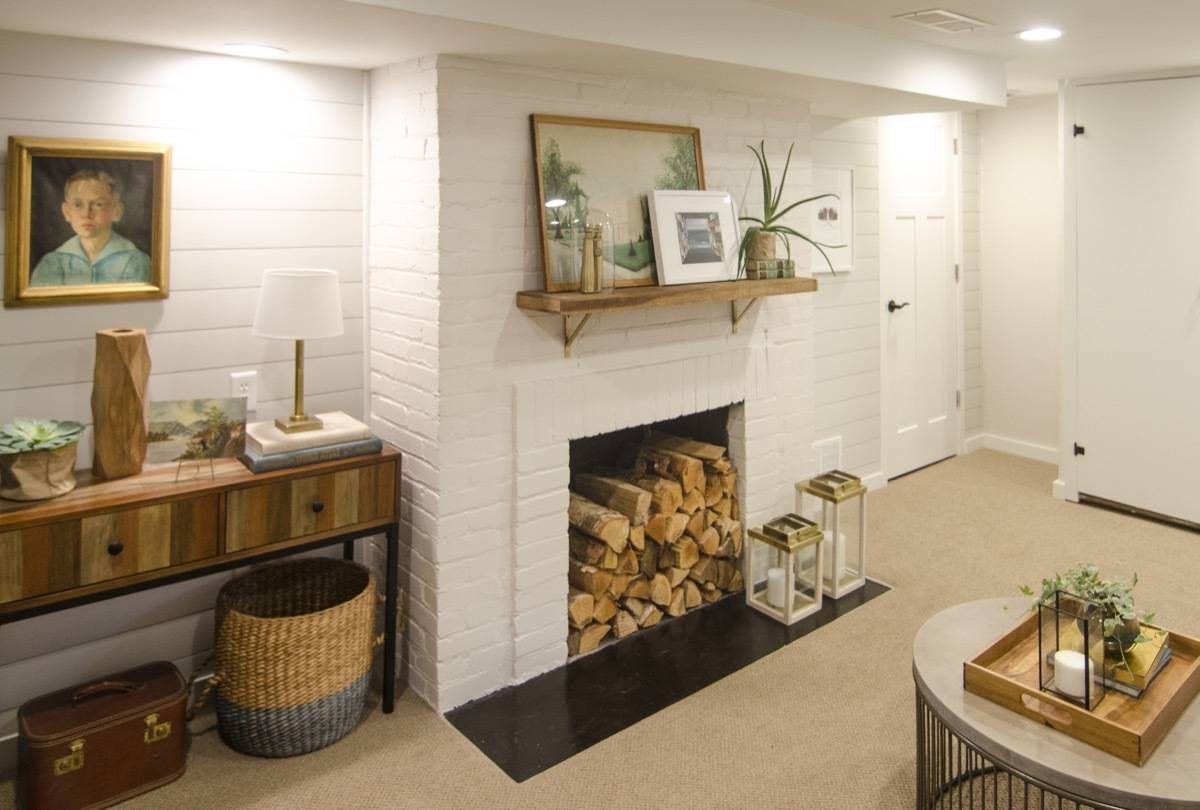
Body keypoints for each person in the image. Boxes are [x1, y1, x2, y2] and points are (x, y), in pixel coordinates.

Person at [30, 169, 151, 286]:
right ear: (66, 212)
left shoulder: (136, 261)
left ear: (117, 211)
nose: (87, 214)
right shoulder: (51, 263)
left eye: (98, 204)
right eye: (78, 205)